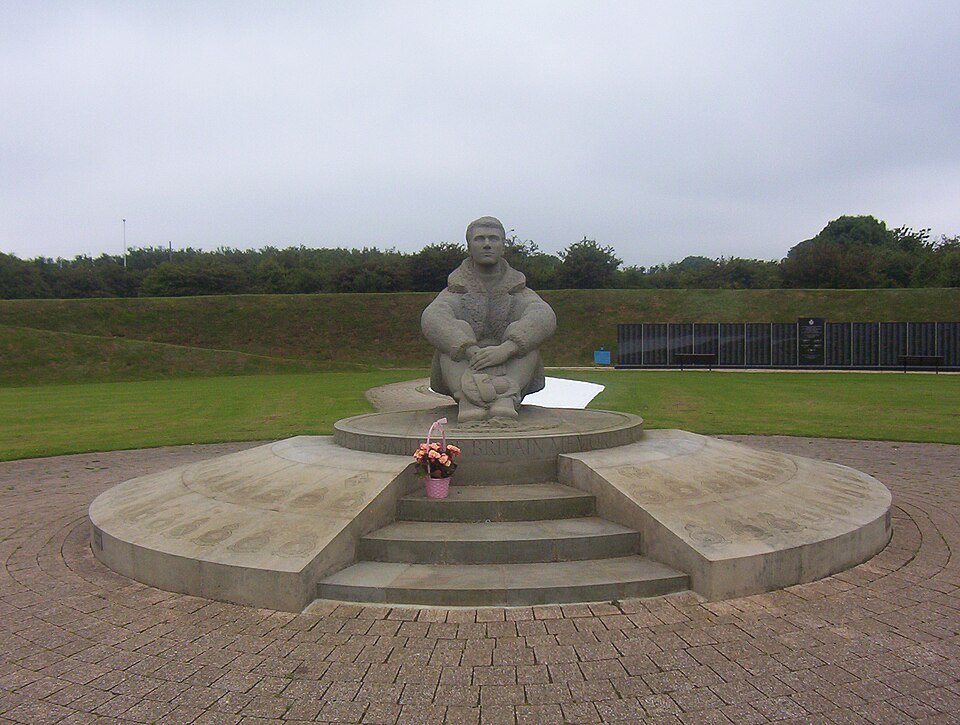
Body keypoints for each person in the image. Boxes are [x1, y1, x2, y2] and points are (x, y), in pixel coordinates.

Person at [421, 216, 557, 422]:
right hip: (467, 365)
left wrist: (507, 349)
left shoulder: (518, 289)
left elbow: (543, 315)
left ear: (503, 247)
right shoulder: (456, 290)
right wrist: (469, 350)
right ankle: (468, 399)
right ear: (469, 247)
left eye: (493, 239)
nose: (486, 244)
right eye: (480, 239)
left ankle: (506, 398)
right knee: (454, 332)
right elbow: (433, 317)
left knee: (524, 335)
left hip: (510, 367)